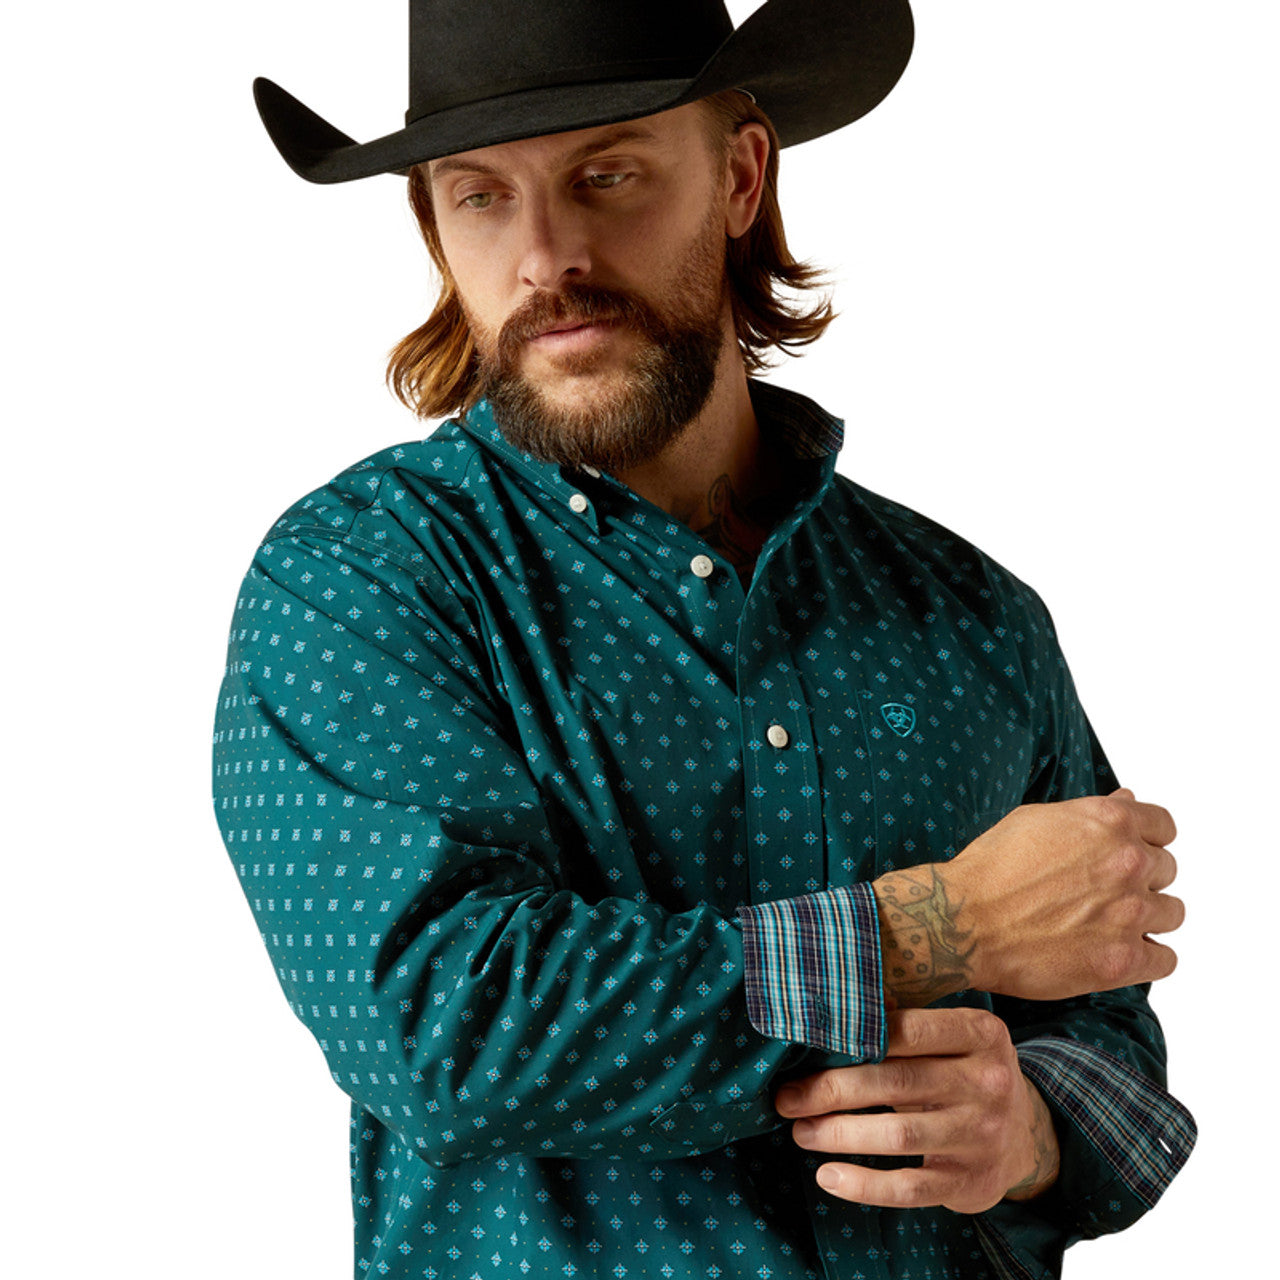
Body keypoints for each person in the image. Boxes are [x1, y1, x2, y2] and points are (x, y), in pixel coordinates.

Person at [213, 3, 1195, 1277]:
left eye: (605, 174)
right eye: (481, 197)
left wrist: (1030, 1135)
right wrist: (934, 929)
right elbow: (442, 1024)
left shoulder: (968, 611)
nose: (545, 256)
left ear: (739, 176)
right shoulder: (365, 580)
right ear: (435, 229)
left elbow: (1109, 1023)